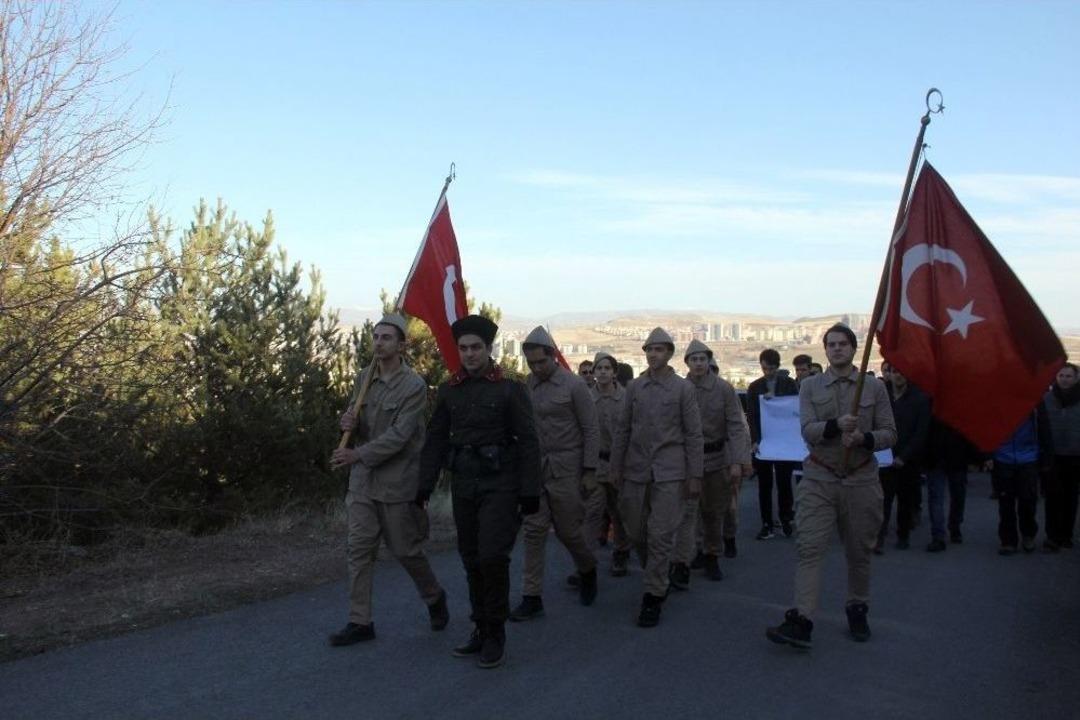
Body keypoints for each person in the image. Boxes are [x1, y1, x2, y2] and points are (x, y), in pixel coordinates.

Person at [417, 314, 541, 669]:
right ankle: (480, 626)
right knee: (471, 558)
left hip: (501, 484)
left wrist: (530, 491)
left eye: (476, 347)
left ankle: (495, 633)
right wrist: (424, 485)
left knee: (492, 557)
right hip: (465, 483)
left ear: (489, 349)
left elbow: (529, 442)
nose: (469, 354)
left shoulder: (510, 389)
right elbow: (436, 439)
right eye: (464, 348)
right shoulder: (450, 390)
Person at [767, 324, 896, 649]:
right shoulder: (810, 386)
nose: (837, 349)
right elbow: (807, 430)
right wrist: (835, 426)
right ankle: (802, 619)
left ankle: (857, 606)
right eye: (831, 344)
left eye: (843, 344)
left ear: (854, 349)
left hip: (861, 478)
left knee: (859, 551)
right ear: (825, 350)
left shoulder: (873, 387)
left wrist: (864, 438)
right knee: (809, 548)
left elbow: (890, 433)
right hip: (820, 477)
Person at [328, 314, 448, 646]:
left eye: (386, 338)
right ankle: (360, 621)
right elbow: (357, 421)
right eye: (376, 337)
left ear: (402, 345)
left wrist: (357, 454)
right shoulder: (364, 378)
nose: (379, 343)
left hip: (397, 479)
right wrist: (347, 422)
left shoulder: (414, 386)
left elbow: (400, 436)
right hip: (364, 480)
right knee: (358, 549)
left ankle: (434, 595)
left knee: (405, 550)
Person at [610, 328, 704, 628]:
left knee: (661, 534)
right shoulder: (635, 388)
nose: (653, 354)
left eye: (659, 349)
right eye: (649, 349)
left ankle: (653, 593)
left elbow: (693, 434)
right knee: (636, 532)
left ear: (669, 354)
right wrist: (615, 467)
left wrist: (695, 475)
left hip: (670, 471)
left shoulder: (682, 389)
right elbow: (623, 429)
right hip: (636, 470)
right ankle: (658, 573)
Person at [511, 327, 600, 620]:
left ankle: (587, 568)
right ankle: (531, 596)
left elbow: (591, 429)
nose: (537, 368)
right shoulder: (528, 385)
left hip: (568, 469)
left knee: (568, 531)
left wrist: (589, 470)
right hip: (537, 470)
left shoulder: (574, 386)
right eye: (531, 363)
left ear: (553, 356)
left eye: (541, 362)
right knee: (533, 531)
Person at [671, 340, 751, 585]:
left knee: (714, 511)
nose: (698, 364)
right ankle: (690, 554)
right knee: (688, 512)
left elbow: (735, 426)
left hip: (717, 458)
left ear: (709, 361)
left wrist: (737, 460)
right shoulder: (679, 388)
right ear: (687, 363)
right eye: (693, 359)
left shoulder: (724, 389)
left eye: (702, 359)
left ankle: (712, 554)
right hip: (687, 460)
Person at [586, 352, 632, 575]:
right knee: (592, 513)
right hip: (595, 464)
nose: (602, 372)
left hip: (619, 465)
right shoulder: (586, 398)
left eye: (607, 368)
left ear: (614, 373)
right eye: (599, 368)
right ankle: (586, 563)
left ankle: (621, 552)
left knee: (619, 512)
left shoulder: (626, 399)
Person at [875, 366, 930, 552]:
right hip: (884, 457)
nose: (899, 375)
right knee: (883, 501)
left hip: (908, 460)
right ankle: (879, 538)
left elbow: (920, 433)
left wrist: (904, 456)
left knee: (905, 501)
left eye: (902, 372)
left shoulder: (919, 399)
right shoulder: (882, 398)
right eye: (895, 372)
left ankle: (903, 536)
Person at [747, 348, 799, 539]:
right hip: (764, 441)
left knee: (784, 483)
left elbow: (794, 411)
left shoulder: (789, 384)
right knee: (765, 485)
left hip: (783, 441)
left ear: (777, 367)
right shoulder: (755, 387)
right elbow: (752, 416)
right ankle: (767, 523)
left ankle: (785, 519)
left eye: (771, 369)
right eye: (764, 369)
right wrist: (754, 440)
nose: (767, 372)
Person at [991, 405, 1052, 555]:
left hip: (1028, 457)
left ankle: (1028, 534)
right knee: (1006, 501)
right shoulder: (995, 401)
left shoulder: (1034, 402)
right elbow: (987, 427)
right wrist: (987, 454)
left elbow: (1044, 427)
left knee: (1028, 500)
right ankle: (1008, 540)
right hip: (1003, 456)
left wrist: (1046, 456)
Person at [924, 417, 978, 546]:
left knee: (948, 496)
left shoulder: (934, 409)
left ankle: (946, 530)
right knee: (945, 496)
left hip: (949, 456)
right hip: (943, 456)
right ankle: (943, 532)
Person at [1043, 362, 1080, 551]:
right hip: (1053, 455)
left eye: (1068, 376)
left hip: (1075, 456)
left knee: (1071, 497)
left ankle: (1066, 535)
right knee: (1052, 497)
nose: (1064, 380)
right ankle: (1052, 536)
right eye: (1061, 376)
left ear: (1076, 378)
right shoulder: (1046, 399)